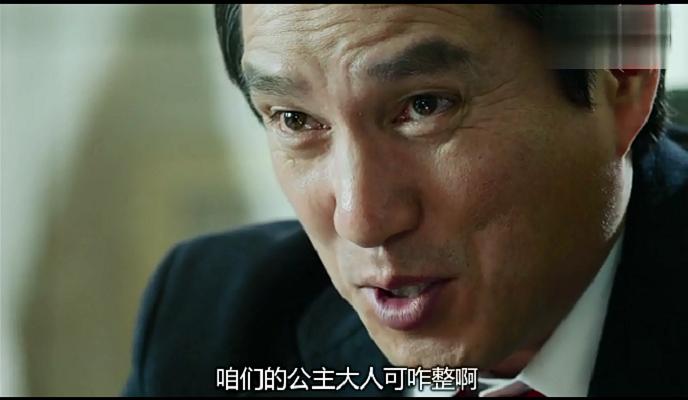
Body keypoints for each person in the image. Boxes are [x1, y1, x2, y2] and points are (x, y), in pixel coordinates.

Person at [123, 4, 687, 396]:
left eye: (424, 106)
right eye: (295, 119)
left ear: (623, 73)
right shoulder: (212, 326)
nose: (361, 221)